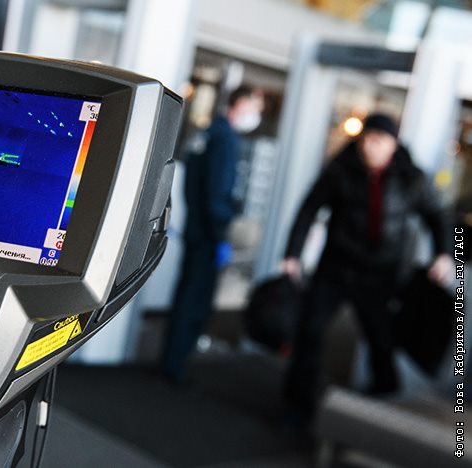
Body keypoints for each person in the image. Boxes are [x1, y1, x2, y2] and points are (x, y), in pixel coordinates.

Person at [280, 113, 454, 421]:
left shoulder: (410, 177)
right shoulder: (341, 169)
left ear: (393, 145)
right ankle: (297, 406)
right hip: (336, 267)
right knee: (311, 331)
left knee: (381, 341)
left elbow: (438, 216)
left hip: (379, 274)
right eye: (368, 139)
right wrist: (292, 254)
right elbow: (309, 209)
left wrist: (444, 253)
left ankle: (380, 407)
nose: (371, 146)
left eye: (379, 141)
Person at [161, 85, 264, 383]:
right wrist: (220, 233)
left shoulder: (208, 133)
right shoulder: (225, 138)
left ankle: (172, 360)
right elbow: (216, 192)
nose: (256, 114)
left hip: (197, 228)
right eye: (255, 107)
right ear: (241, 103)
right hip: (207, 234)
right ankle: (175, 366)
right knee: (195, 300)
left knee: (187, 294)